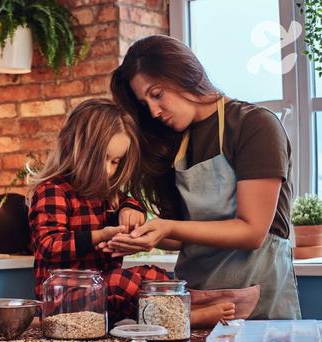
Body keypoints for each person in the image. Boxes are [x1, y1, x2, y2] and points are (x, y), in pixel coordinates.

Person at [109, 34, 300, 320]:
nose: (153, 111)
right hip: (196, 303)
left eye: (157, 94)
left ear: (184, 73)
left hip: (258, 303)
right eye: (144, 102)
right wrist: (145, 236)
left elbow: (252, 232)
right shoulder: (172, 143)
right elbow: (185, 236)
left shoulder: (255, 125)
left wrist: (169, 228)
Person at [27, 98, 171, 325]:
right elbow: (49, 245)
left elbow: (130, 202)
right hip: (62, 301)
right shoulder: (53, 190)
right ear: (77, 148)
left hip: (101, 296)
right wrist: (100, 236)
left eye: (115, 162)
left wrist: (131, 210)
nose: (109, 170)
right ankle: (190, 316)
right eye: (103, 159)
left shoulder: (108, 195)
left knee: (156, 277)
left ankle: (177, 312)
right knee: (120, 284)